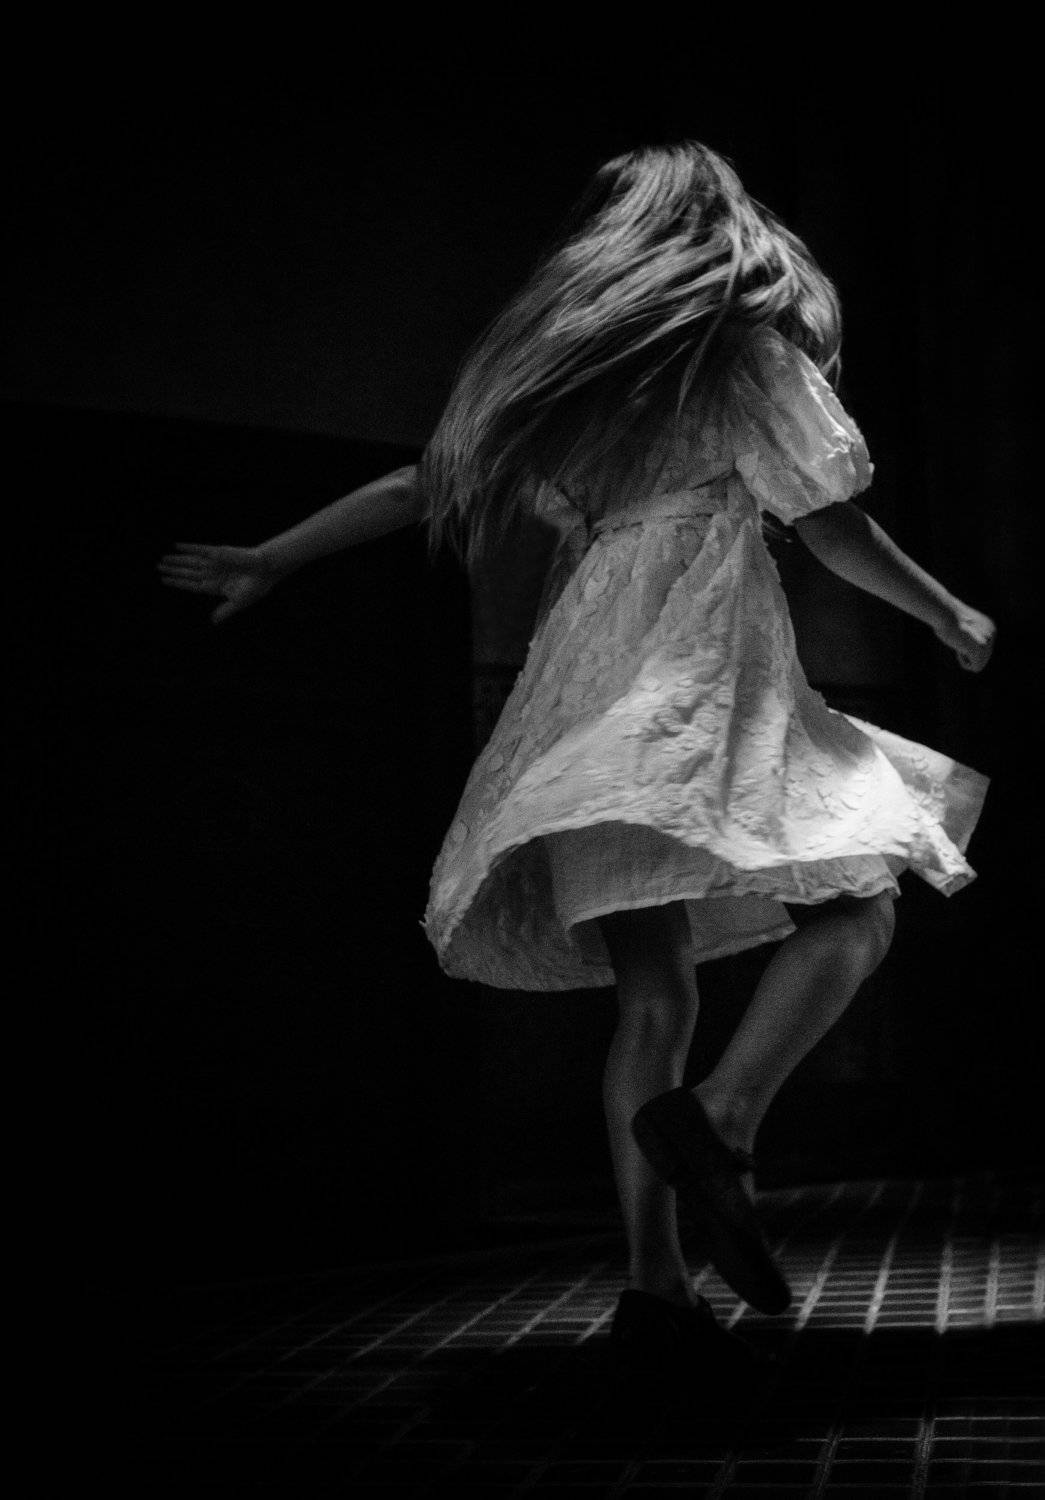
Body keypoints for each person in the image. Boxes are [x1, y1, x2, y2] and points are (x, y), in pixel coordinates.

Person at [157, 142, 995, 1379]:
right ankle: (724, 1120)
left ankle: (655, 1290)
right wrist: (945, 612)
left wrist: (273, 557)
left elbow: (417, 484)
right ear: (715, 229)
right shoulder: (736, 354)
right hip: (695, 681)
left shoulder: (572, 376)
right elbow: (829, 521)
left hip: (580, 694)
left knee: (654, 999)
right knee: (863, 903)